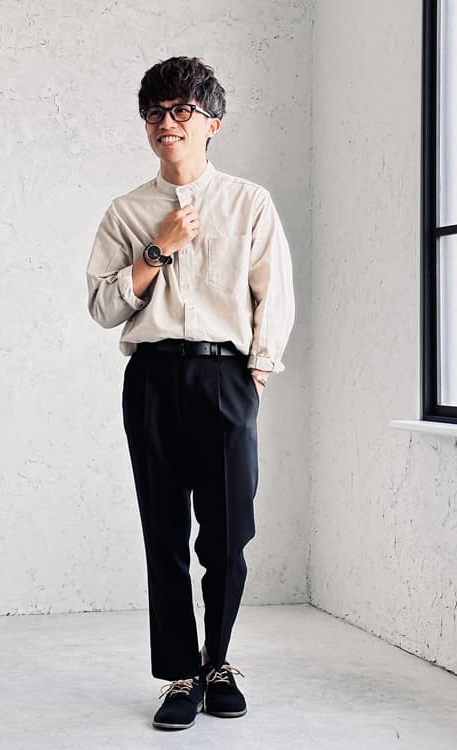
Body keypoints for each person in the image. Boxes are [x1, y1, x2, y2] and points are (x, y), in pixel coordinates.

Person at [85, 56, 295, 731]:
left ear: (213, 123)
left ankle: (218, 662)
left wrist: (257, 370)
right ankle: (180, 674)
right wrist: (157, 249)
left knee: (229, 535)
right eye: (155, 112)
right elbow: (103, 306)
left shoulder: (247, 202)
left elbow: (272, 293)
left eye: (182, 111)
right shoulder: (127, 212)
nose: (166, 123)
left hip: (225, 376)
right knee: (165, 533)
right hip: (152, 378)